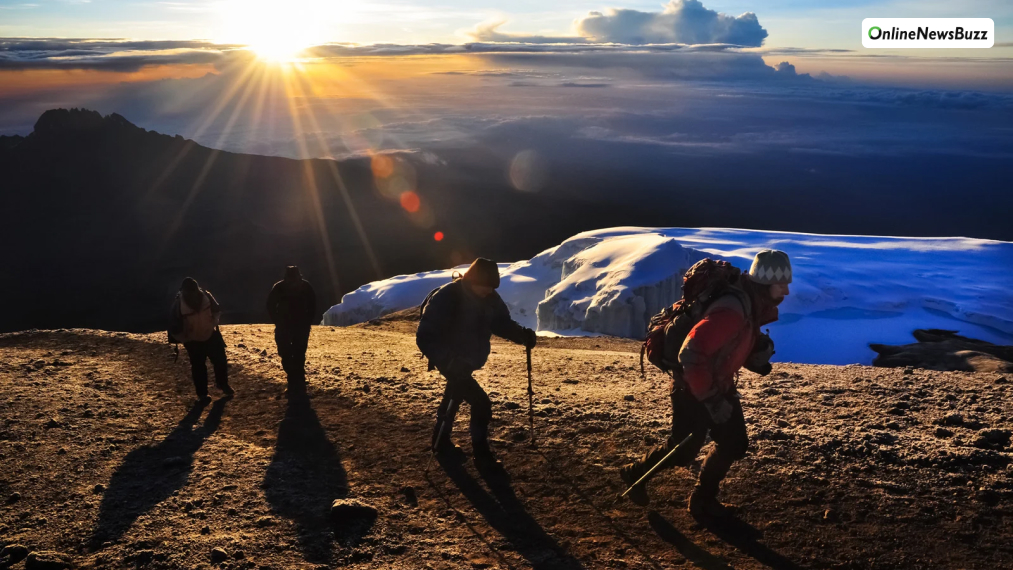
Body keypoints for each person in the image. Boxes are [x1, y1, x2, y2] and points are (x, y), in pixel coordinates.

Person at [619, 250, 791, 518]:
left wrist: (752, 354)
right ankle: (635, 473)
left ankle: (702, 500)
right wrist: (711, 400)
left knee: (733, 442)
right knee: (683, 449)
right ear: (764, 283)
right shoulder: (732, 309)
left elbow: (726, 344)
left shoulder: (749, 302)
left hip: (717, 384)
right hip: (693, 387)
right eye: (781, 284)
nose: (787, 291)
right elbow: (692, 353)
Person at [417, 258, 537, 466]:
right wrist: (449, 361)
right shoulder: (448, 297)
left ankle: (441, 443)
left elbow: (501, 323)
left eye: (492, 288)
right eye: (485, 287)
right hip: (450, 360)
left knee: (453, 396)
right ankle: (481, 454)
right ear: (472, 280)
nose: (488, 291)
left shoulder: (490, 297)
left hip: (467, 360)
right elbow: (425, 336)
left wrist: (522, 335)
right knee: (481, 403)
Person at [169, 277, 234, 404]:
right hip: (194, 340)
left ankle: (220, 385)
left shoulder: (204, 297)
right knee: (200, 367)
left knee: (218, 361)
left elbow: (216, 310)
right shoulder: (181, 303)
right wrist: (185, 339)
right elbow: (174, 326)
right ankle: (204, 393)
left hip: (208, 335)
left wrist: (213, 323)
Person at [266, 266, 317, 392]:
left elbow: (270, 305)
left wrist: (277, 320)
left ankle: (293, 376)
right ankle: (298, 377)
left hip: (286, 324)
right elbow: (313, 305)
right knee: (299, 351)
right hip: (300, 324)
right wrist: (308, 321)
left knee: (286, 351)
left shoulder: (279, 286)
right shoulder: (305, 286)